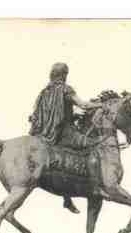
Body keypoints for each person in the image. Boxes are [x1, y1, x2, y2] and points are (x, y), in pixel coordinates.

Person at [28, 62, 102, 214]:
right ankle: (95, 188)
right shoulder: (65, 90)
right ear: (64, 75)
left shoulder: (44, 92)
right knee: (94, 146)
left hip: (44, 134)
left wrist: (71, 115)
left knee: (65, 160)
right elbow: (84, 105)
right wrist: (102, 105)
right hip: (64, 133)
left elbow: (42, 115)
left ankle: (67, 199)